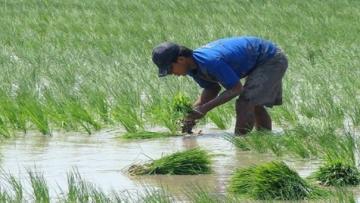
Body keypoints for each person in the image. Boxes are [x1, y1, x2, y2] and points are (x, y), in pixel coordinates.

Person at [151, 36, 288, 135]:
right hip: (255, 60)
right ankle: (264, 141)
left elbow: (236, 89)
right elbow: (212, 89)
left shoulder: (210, 62)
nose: (171, 74)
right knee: (254, 102)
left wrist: (204, 109)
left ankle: (241, 146)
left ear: (181, 60)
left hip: (270, 58)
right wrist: (191, 114)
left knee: (245, 102)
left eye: (170, 69)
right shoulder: (192, 68)